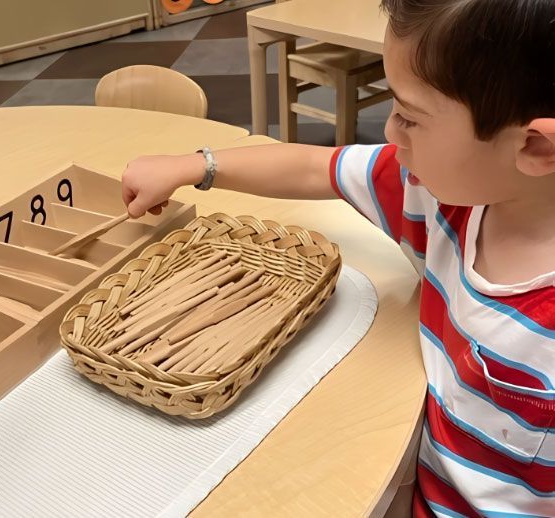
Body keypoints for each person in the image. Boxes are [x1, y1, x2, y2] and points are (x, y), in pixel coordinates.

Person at [121, 0, 555, 515]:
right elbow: (314, 168)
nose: (390, 133)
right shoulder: (441, 195)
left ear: (535, 148)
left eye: (409, 118)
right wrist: (197, 165)